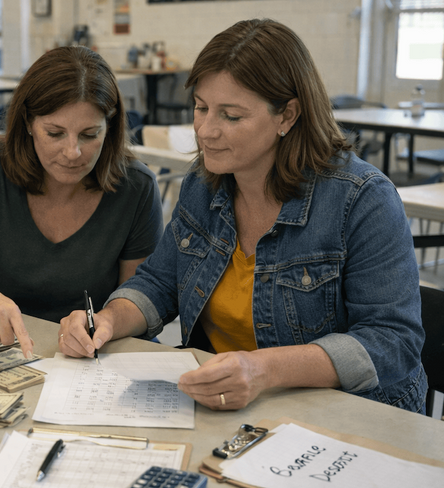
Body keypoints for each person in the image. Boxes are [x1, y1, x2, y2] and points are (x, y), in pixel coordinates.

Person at [58, 19, 427, 414]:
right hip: (233, 406)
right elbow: (159, 283)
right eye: (200, 108)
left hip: (348, 415)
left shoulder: (361, 200)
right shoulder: (205, 185)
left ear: (287, 116)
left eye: (231, 116)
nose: (206, 131)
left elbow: (392, 341)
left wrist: (262, 369)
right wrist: (109, 320)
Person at [0, 46, 164, 358]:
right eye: (55, 133)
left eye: (90, 135)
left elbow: (140, 296)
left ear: (111, 128)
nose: (72, 152)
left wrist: (105, 321)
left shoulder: (135, 186)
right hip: (2, 348)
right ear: (28, 123)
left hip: (93, 355)